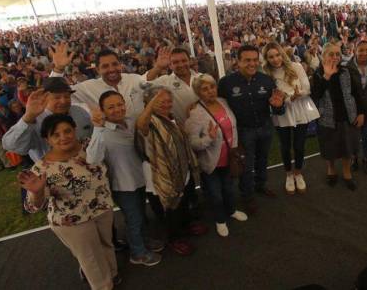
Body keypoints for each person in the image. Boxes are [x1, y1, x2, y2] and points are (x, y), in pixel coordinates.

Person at [19, 114, 117, 290]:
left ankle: (112, 273)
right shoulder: (42, 168)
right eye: (56, 134)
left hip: (102, 208)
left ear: (75, 130)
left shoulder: (88, 146)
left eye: (67, 131)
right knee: (90, 257)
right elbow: (33, 207)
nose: (63, 137)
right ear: (47, 139)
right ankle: (103, 286)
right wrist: (37, 192)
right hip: (72, 220)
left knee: (106, 244)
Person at [86, 91, 164, 267]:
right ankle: (138, 253)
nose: (117, 109)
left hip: (141, 179)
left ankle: (144, 240)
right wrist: (98, 128)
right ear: (102, 110)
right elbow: (92, 159)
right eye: (111, 107)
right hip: (123, 185)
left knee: (142, 215)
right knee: (133, 219)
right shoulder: (101, 132)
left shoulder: (131, 122)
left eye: (119, 104)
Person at [135, 85, 203, 256]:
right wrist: (150, 106)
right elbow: (140, 125)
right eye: (160, 101)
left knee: (183, 201)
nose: (166, 104)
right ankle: (174, 239)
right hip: (161, 173)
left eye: (168, 100)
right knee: (169, 208)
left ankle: (186, 225)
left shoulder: (170, 117)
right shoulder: (149, 121)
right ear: (148, 103)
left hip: (181, 169)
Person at [217, 45, 285, 212]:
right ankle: (247, 196)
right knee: (246, 166)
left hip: (265, 128)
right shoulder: (226, 83)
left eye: (255, 60)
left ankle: (260, 185)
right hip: (243, 131)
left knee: (262, 160)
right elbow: (219, 108)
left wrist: (278, 106)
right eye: (247, 60)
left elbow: (278, 108)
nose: (252, 63)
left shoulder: (267, 80)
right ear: (238, 61)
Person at [184, 74, 248, 237]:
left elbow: (232, 127)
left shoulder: (224, 102)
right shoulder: (196, 113)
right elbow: (192, 143)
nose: (210, 91)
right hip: (211, 162)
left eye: (212, 87)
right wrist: (209, 138)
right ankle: (220, 220)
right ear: (198, 92)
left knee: (229, 189)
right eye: (205, 89)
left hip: (229, 158)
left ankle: (232, 210)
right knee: (215, 195)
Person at [262, 42, 319, 194]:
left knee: (299, 145)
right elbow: (270, 97)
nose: (275, 59)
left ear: (282, 54)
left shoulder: (296, 66)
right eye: (271, 57)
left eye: (277, 55)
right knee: (285, 146)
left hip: (300, 109)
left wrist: (295, 95)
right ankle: (288, 174)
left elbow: (307, 88)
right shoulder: (266, 74)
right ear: (267, 59)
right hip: (281, 113)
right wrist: (287, 99)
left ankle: (298, 173)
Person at [310, 43, 365, 190]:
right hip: (327, 119)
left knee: (348, 148)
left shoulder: (347, 71)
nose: (335, 57)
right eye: (331, 54)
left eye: (337, 54)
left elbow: (357, 93)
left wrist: (360, 112)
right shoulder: (317, 73)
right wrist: (326, 76)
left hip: (348, 116)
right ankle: (331, 170)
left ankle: (347, 173)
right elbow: (315, 95)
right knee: (330, 148)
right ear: (324, 56)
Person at [3, 77, 93, 163]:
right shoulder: (34, 120)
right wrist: (28, 117)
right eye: (57, 97)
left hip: (87, 167)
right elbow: (12, 146)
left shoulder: (79, 111)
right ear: (45, 98)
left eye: (67, 96)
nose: (63, 101)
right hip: (53, 174)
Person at [50, 44, 146, 118]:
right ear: (97, 70)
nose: (112, 69)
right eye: (105, 66)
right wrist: (58, 69)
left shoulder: (134, 79)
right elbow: (55, 92)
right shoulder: (88, 87)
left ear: (120, 65)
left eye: (115, 64)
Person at [347, 40, 367, 174]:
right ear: (355, 50)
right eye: (361, 50)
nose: (364, 53)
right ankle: (354, 158)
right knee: (354, 136)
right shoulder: (348, 66)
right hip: (353, 108)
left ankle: (366, 159)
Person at [145, 47, 201, 124]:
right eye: (176, 62)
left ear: (189, 61)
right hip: (185, 132)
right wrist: (158, 68)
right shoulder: (165, 81)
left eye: (184, 61)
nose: (181, 65)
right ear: (170, 65)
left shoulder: (201, 77)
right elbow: (143, 86)